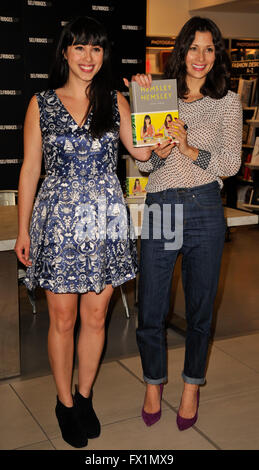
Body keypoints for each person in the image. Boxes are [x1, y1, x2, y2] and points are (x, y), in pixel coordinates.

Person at [14, 16, 174, 448]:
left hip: (104, 220)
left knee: (97, 316)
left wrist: (153, 110)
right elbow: (29, 171)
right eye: (80, 48)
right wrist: (22, 230)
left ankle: (85, 397)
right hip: (59, 223)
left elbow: (141, 152)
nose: (89, 57)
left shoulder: (115, 100)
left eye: (97, 49)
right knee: (62, 320)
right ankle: (64, 403)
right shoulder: (41, 103)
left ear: (104, 56)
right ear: (65, 52)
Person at [128, 16, 242, 430]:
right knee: (151, 307)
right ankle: (153, 383)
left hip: (205, 207)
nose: (201, 57)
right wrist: (157, 146)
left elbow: (231, 163)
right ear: (181, 50)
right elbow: (145, 168)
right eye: (194, 47)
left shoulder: (227, 102)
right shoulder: (159, 94)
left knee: (199, 307)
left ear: (218, 55)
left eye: (209, 49)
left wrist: (189, 148)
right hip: (162, 206)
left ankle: (192, 385)